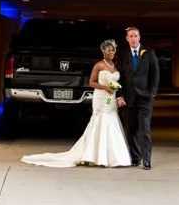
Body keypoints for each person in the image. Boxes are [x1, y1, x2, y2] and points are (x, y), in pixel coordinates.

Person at [21, 39, 133, 169]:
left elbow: (120, 82)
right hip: (101, 97)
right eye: (109, 50)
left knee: (112, 120)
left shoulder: (116, 66)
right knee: (100, 120)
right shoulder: (99, 65)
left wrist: (116, 92)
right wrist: (104, 87)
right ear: (103, 52)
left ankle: (113, 156)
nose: (112, 52)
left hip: (111, 98)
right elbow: (91, 82)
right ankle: (94, 155)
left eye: (113, 50)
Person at [116, 25, 160, 169]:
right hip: (128, 98)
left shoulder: (149, 52)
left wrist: (151, 93)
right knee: (130, 130)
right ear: (127, 39)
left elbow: (155, 74)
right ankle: (136, 158)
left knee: (144, 130)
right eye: (131, 36)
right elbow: (119, 76)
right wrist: (119, 95)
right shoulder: (123, 53)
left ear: (139, 37)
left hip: (144, 98)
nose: (134, 39)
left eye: (136, 36)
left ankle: (147, 159)